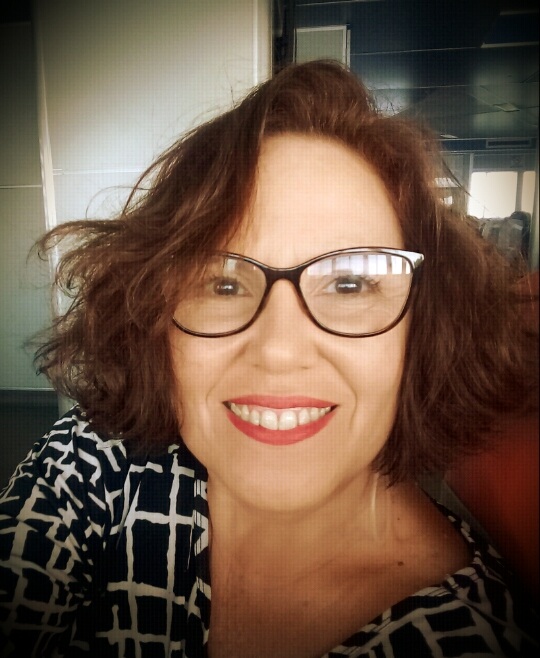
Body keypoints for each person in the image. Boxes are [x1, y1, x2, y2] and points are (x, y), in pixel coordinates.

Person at [0, 61, 538, 658]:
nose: (278, 350)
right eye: (223, 283)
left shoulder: (469, 638)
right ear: (157, 322)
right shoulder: (92, 462)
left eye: (351, 284)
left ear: (424, 328)